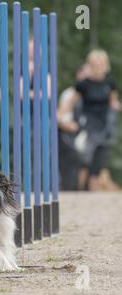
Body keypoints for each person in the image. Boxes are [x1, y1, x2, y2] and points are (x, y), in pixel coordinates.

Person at [58, 50, 121, 191]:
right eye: (95, 64)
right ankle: (80, 190)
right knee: (84, 160)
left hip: (105, 127)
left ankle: (93, 194)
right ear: (90, 65)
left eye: (101, 64)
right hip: (88, 126)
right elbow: (70, 103)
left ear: (105, 65)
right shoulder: (83, 84)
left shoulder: (110, 82)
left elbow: (114, 102)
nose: (98, 67)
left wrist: (117, 106)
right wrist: (59, 115)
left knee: (98, 164)